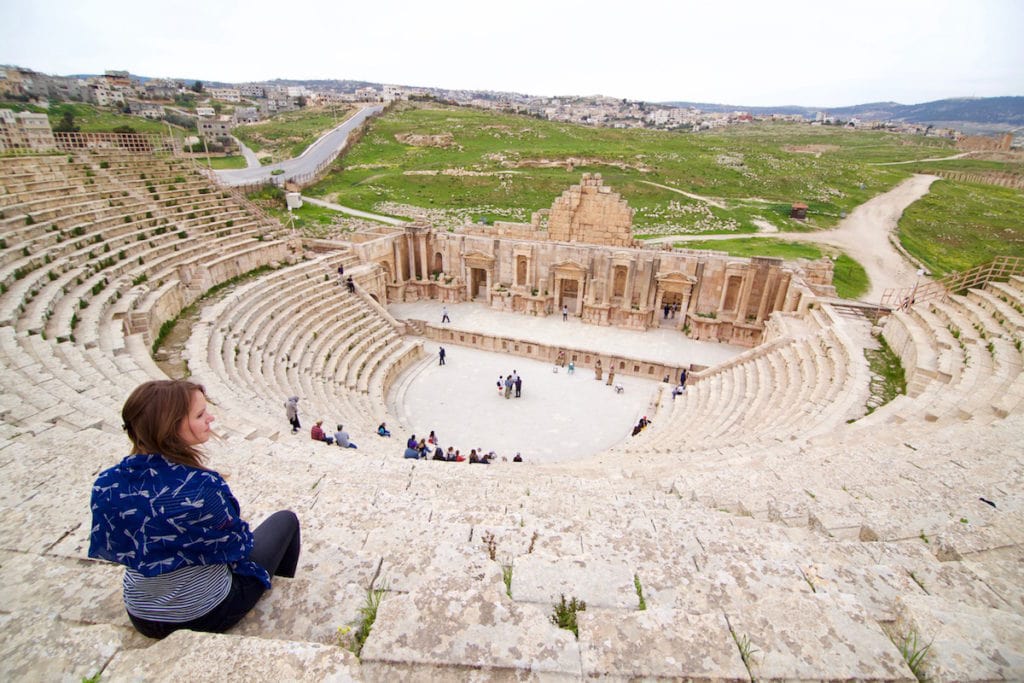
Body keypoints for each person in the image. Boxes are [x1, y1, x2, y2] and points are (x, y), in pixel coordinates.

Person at [88, 380, 300, 639]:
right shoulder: (202, 487)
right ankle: (277, 589)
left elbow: (120, 545)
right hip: (206, 613)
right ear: (170, 428)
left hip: (140, 613)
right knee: (286, 521)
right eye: (200, 415)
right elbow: (238, 547)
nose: (210, 418)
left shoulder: (106, 484)